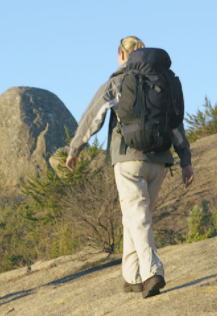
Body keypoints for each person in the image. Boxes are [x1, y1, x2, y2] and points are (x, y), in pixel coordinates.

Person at [66, 36, 194, 299]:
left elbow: (93, 116)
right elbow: (175, 123)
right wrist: (186, 160)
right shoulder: (162, 81)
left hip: (128, 161)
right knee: (135, 218)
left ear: (121, 55)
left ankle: (152, 272)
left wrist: (75, 148)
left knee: (138, 217)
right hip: (159, 161)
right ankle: (132, 276)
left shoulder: (118, 82)